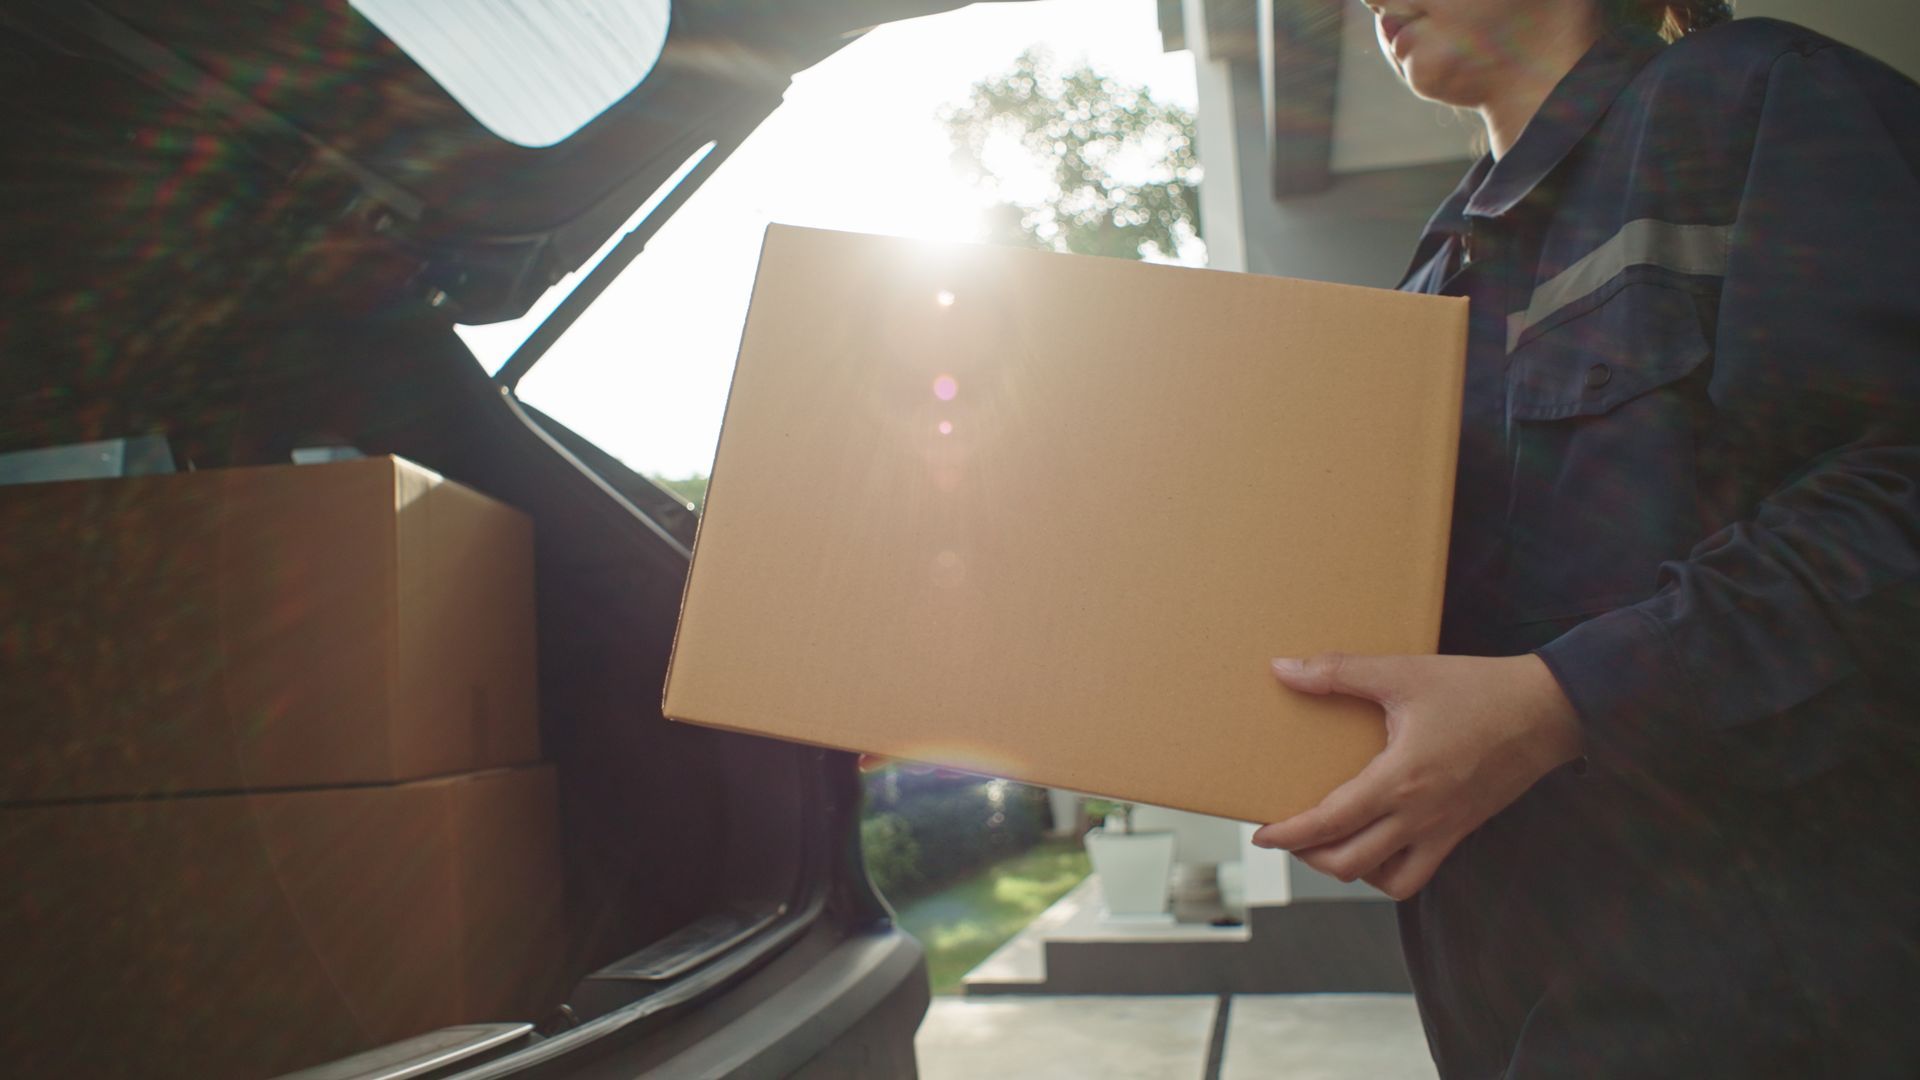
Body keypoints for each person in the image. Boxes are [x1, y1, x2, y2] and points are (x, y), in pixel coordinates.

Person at [1249, 1, 1920, 1075]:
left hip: (1776, 1002)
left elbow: (1897, 494)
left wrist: (1567, 703)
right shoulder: (1429, 279)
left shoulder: (1755, 100)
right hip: (1511, 1001)